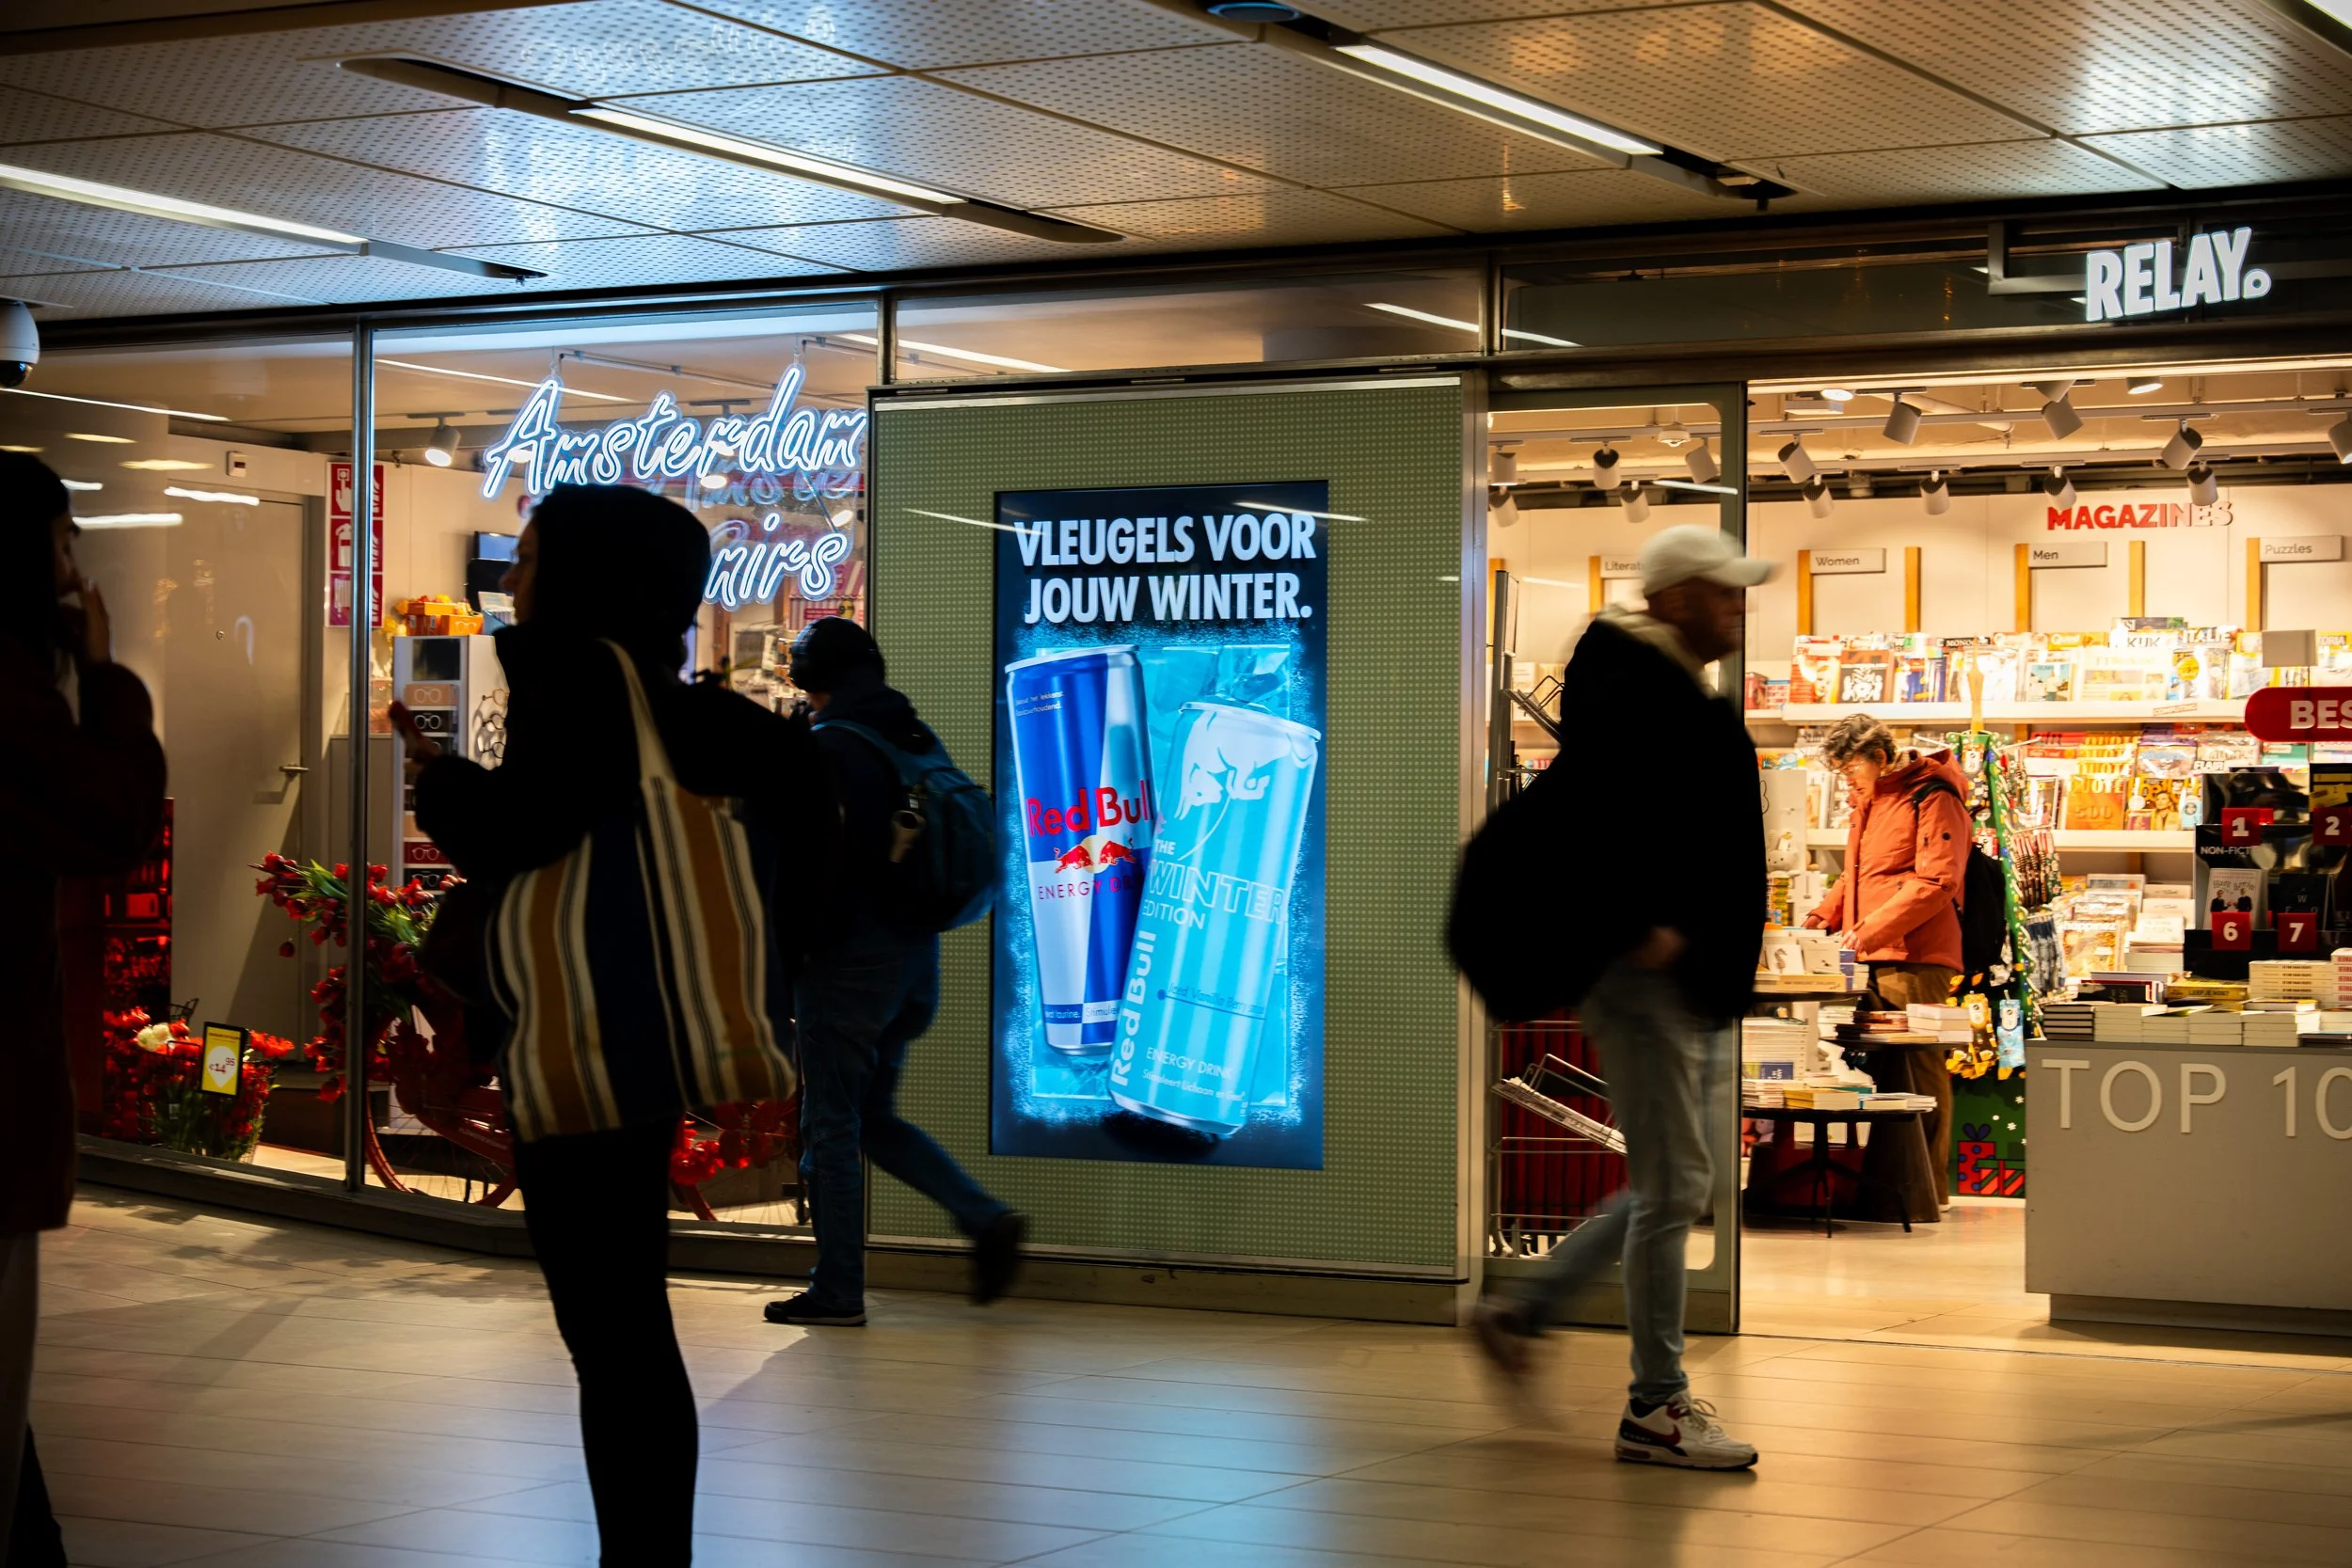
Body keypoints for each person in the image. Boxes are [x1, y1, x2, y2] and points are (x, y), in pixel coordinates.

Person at [404, 484, 834, 1568]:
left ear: (591, 575)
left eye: (534, 555)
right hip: (647, 1039)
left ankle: (642, 1555)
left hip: (587, 1042)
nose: (513, 578)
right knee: (626, 1322)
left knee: (615, 1332)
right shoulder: (672, 695)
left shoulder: (585, 680)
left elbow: (518, 834)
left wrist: (441, 781)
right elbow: (795, 806)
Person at [1469, 524, 1769, 1471]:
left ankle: (1525, 1309)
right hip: (1647, 978)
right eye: (1723, 592)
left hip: (1692, 980)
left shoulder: (1671, 688)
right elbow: (1600, 821)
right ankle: (1653, 1403)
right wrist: (1643, 922)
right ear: (1674, 596)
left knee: (1676, 1180)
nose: (1738, 605)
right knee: (1677, 1182)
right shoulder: (1635, 692)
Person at [763, 615, 1024, 1328]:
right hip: (916, 957)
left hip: (848, 962)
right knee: (871, 1115)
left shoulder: (830, 747)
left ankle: (838, 1289)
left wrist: (783, 964)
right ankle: (983, 1216)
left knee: (832, 1127)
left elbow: (804, 869)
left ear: (809, 675)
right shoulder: (909, 733)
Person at [0, 454, 167, 1565]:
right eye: (63, 545)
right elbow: (103, 821)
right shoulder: (13, 692)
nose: (75, 572)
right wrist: (107, 678)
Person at [1804, 713, 1970, 1210]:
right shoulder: (1869, 802)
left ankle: (1922, 1189)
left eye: (1849, 767)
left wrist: (1867, 930)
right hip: (1871, 953)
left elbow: (1939, 881)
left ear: (1878, 757)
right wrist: (1818, 920)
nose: (1845, 779)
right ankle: (1888, 1185)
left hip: (1916, 956)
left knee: (1916, 1069)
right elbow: (1855, 876)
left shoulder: (1932, 796)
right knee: (1886, 1073)